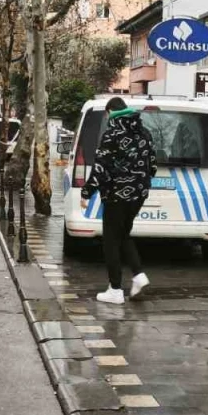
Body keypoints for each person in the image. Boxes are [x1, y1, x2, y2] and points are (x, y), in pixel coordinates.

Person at [79, 97, 157, 305]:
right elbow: (153, 165)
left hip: (117, 195)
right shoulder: (145, 133)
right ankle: (139, 275)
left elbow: (101, 169)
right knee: (122, 234)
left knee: (111, 241)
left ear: (110, 112)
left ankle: (115, 290)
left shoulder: (111, 134)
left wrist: (86, 193)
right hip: (139, 194)